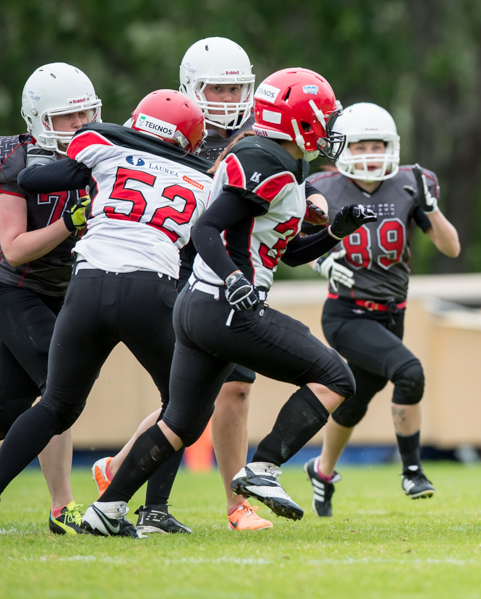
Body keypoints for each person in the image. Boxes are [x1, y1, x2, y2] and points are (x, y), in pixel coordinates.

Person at [80, 67, 375, 538]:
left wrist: (335, 232)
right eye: (323, 118)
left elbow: (282, 252)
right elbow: (206, 229)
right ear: (299, 120)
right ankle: (264, 468)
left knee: (180, 423)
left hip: (200, 304)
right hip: (226, 307)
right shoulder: (266, 161)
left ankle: (106, 509)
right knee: (336, 377)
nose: (328, 129)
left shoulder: (275, 157)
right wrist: (235, 279)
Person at [0, 89, 211, 535]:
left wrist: (102, 154)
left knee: (55, 405)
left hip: (87, 285)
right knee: (183, 404)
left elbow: (33, 180)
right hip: (149, 292)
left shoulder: (107, 148)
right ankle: (125, 507)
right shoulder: (204, 178)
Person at [91, 37, 273, 532]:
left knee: (228, 390)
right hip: (179, 273)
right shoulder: (167, 127)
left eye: (236, 88)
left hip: (231, 275)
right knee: (195, 395)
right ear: (191, 87)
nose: (229, 99)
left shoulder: (258, 136)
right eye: (217, 88)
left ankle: (129, 475)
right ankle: (211, 505)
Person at [303, 102, 460, 516]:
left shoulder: (410, 184)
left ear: (392, 146)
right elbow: (288, 242)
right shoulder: (322, 187)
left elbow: (451, 247)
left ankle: (322, 471)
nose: (370, 154)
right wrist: (322, 262)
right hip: (347, 313)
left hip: (393, 313)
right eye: (360, 146)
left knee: (354, 400)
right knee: (409, 373)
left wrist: (431, 208)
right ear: (343, 149)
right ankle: (412, 471)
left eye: (377, 145)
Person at [0, 63, 101, 534]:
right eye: (67, 116)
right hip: (15, 289)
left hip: (63, 291)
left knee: (10, 407)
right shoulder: (16, 161)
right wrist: (69, 222)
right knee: (60, 387)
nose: (80, 125)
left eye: (86, 113)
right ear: (39, 119)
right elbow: (14, 250)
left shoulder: (103, 156)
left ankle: (61, 507)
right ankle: (63, 506)